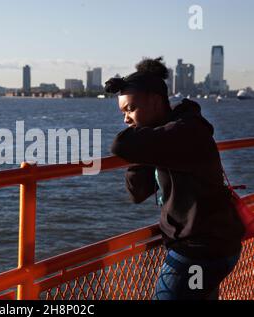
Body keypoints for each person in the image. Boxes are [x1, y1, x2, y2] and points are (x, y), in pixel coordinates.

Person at [105, 57, 245, 300]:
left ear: (156, 101)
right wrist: (143, 147)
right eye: (123, 112)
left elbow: (120, 144)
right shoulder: (163, 138)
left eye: (131, 109)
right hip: (211, 248)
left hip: (199, 253)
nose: (126, 119)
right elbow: (137, 192)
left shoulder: (185, 131)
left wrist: (139, 140)